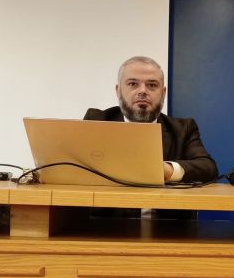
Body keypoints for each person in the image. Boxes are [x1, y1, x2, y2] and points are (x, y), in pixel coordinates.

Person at [84, 56, 218, 183]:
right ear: (118, 91)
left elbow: (208, 168)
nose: (142, 91)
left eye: (152, 85)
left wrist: (167, 170)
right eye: (133, 84)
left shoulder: (183, 129)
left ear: (163, 93)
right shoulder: (96, 121)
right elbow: (75, 165)